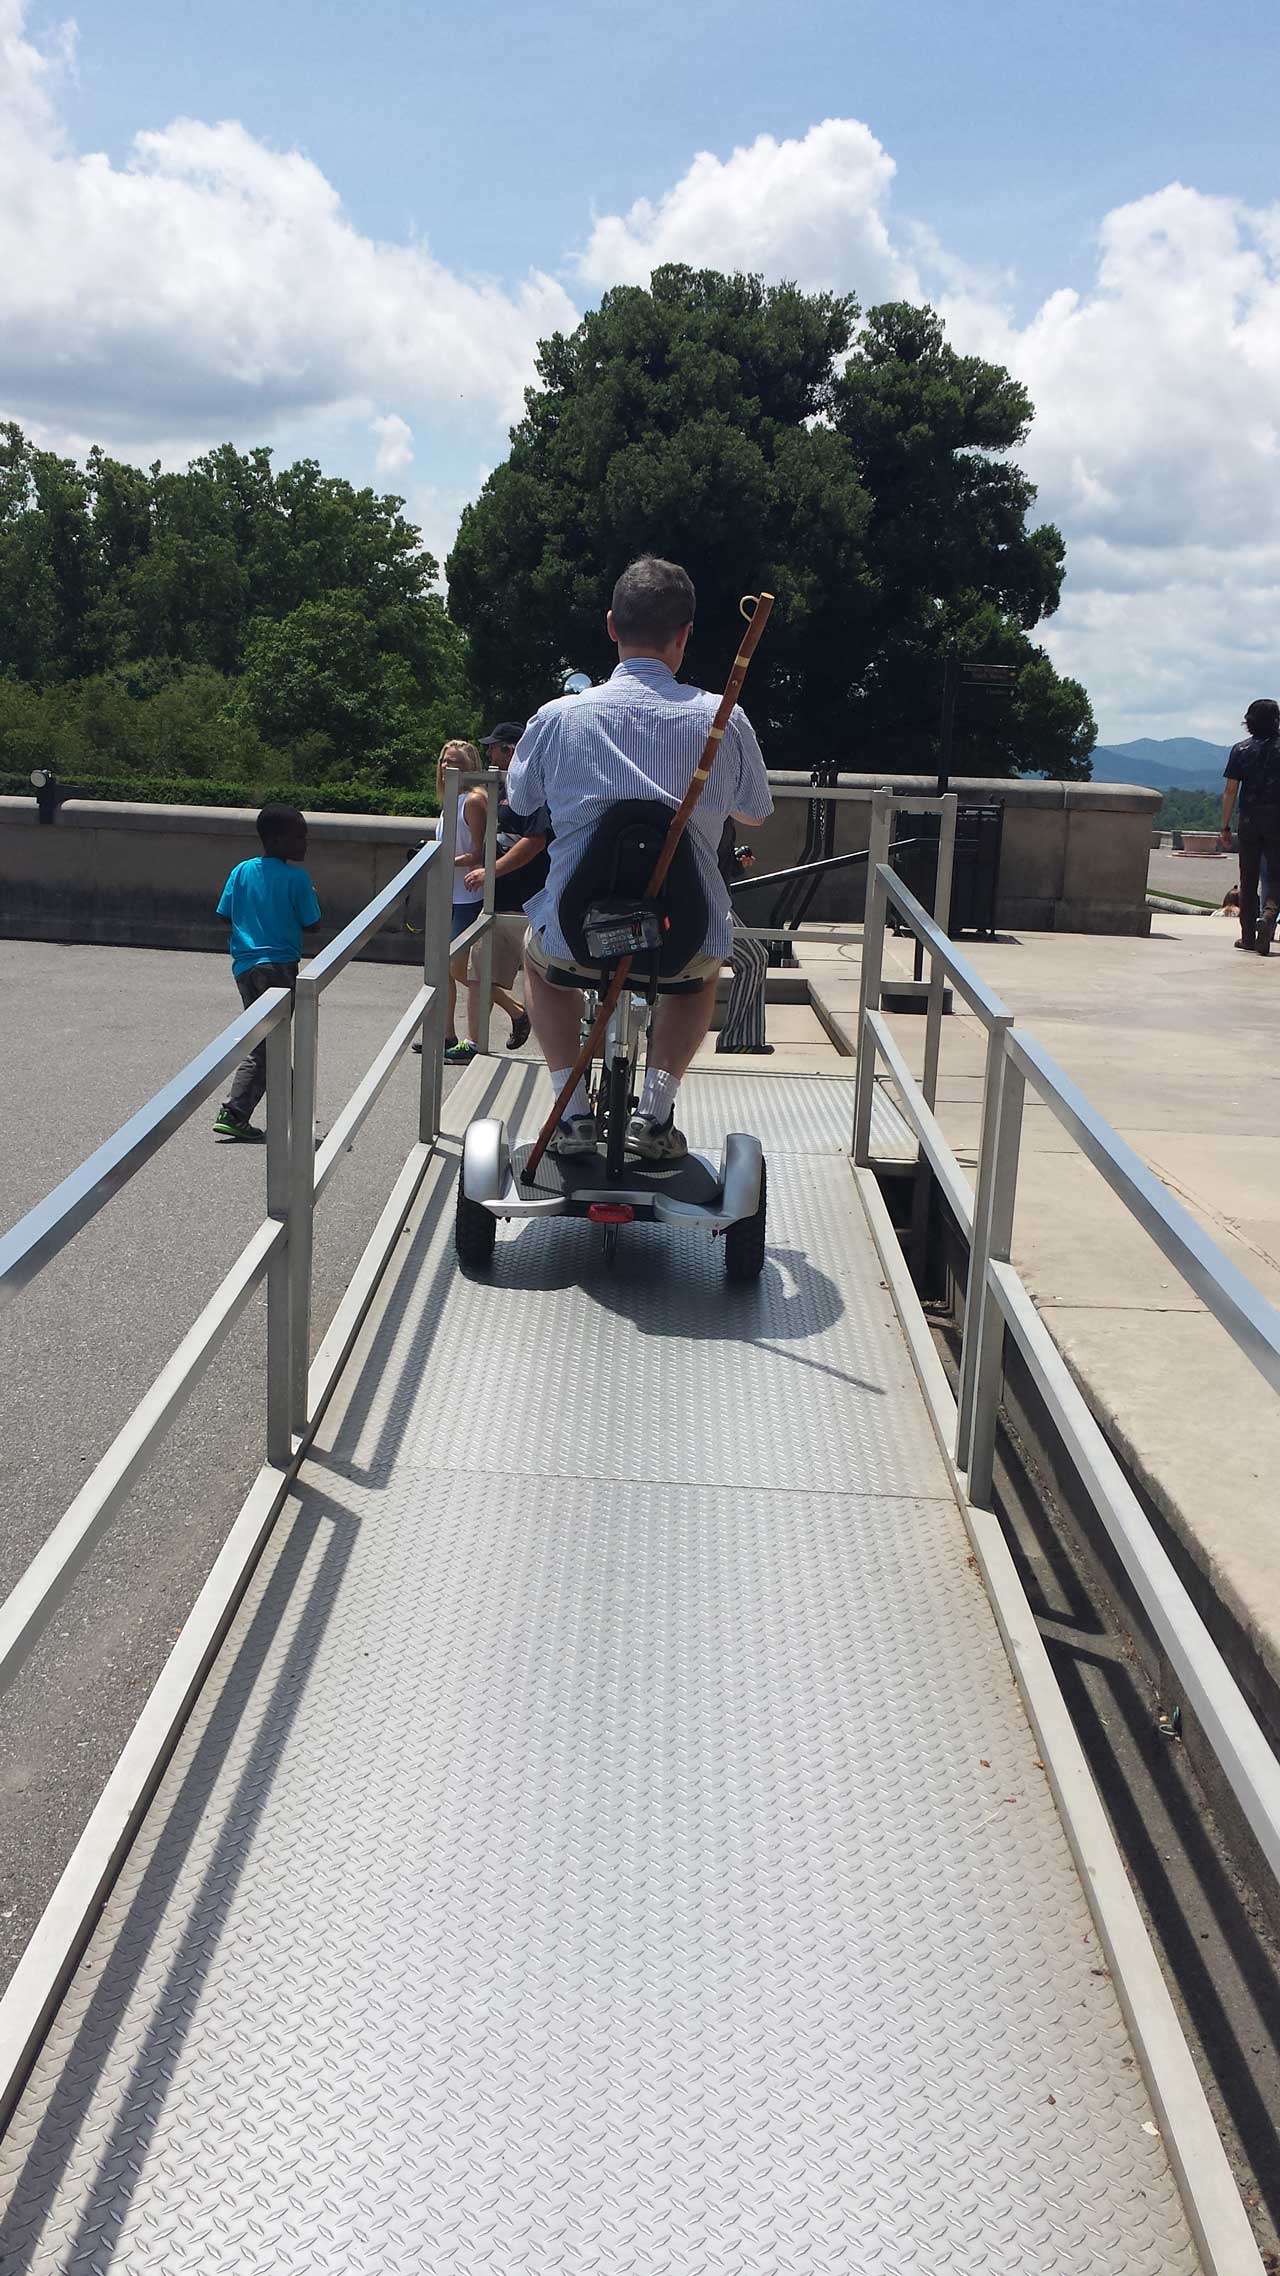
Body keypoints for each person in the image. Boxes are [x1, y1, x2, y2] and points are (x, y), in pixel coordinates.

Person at [506, 555, 773, 1160]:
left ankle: (570, 1112)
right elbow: (755, 812)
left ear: (610, 626)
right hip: (680, 934)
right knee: (698, 975)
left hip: (578, 929)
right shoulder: (722, 719)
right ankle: (654, 1113)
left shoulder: (559, 716)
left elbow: (520, 798)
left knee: (540, 961)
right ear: (685, 635)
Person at [213, 803, 321, 1141]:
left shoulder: (241, 871)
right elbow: (313, 924)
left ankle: (295, 1114)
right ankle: (236, 1111)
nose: (305, 843)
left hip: (245, 967)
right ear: (276, 840)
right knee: (267, 1044)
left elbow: (223, 914)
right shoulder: (297, 879)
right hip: (280, 967)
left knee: (268, 1038)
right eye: (299, 837)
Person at [462, 722, 552, 1053]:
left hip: (531, 905)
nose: (488, 753)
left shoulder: (535, 790)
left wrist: (492, 870)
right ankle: (473, 1043)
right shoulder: (500, 790)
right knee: (477, 975)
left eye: (495, 746)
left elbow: (535, 840)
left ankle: (560, 1054)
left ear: (511, 749)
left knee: (542, 983)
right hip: (496, 903)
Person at [1220, 698, 1280, 954]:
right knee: (1277, 876)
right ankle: (1268, 917)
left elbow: (1231, 790)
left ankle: (1247, 936)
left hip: (1249, 818)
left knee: (1248, 877)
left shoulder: (1240, 750)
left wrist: (1224, 825)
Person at [715, 820, 772, 1054]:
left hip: (708, 899)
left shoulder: (721, 817)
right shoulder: (714, 810)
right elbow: (759, 813)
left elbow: (718, 863)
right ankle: (736, 1039)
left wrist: (736, 864)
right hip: (706, 902)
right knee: (754, 959)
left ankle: (744, 1038)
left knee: (755, 958)